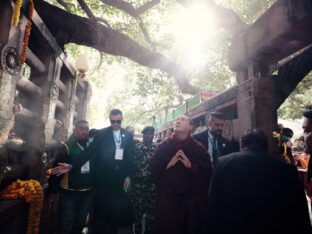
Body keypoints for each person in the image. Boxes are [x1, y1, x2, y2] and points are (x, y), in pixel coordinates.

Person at [207, 129, 312, 234]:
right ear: (266, 148)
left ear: (241, 144)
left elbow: (214, 204)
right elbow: (299, 211)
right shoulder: (287, 170)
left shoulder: (222, 163)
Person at [52, 109, 134, 234]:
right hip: (102, 180)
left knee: (116, 209)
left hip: (119, 181)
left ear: (122, 119)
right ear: (109, 119)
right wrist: (72, 166)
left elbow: (129, 156)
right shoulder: (101, 134)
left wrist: (128, 175)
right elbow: (89, 152)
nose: (115, 124)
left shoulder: (127, 135)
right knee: (100, 211)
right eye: (113, 121)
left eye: (118, 121)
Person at [150, 115, 212, 234]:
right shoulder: (164, 146)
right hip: (167, 199)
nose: (178, 121)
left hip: (190, 200)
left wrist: (192, 166)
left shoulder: (198, 148)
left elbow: (208, 171)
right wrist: (168, 164)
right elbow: (152, 167)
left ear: (190, 127)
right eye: (177, 119)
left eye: (182, 120)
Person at [48, 120, 94, 234]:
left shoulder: (91, 147)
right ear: (75, 130)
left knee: (80, 224)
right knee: (64, 226)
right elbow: (56, 170)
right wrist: (52, 191)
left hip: (86, 193)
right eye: (81, 128)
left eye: (87, 129)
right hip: (69, 194)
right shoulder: (67, 147)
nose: (84, 131)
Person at [132, 126, 157, 234]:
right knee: (137, 213)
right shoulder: (136, 148)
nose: (147, 135)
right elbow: (132, 165)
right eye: (145, 133)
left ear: (153, 135)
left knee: (151, 214)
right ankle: (137, 231)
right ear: (143, 135)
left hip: (152, 186)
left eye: (150, 133)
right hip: (138, 186)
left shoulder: (157, 148)